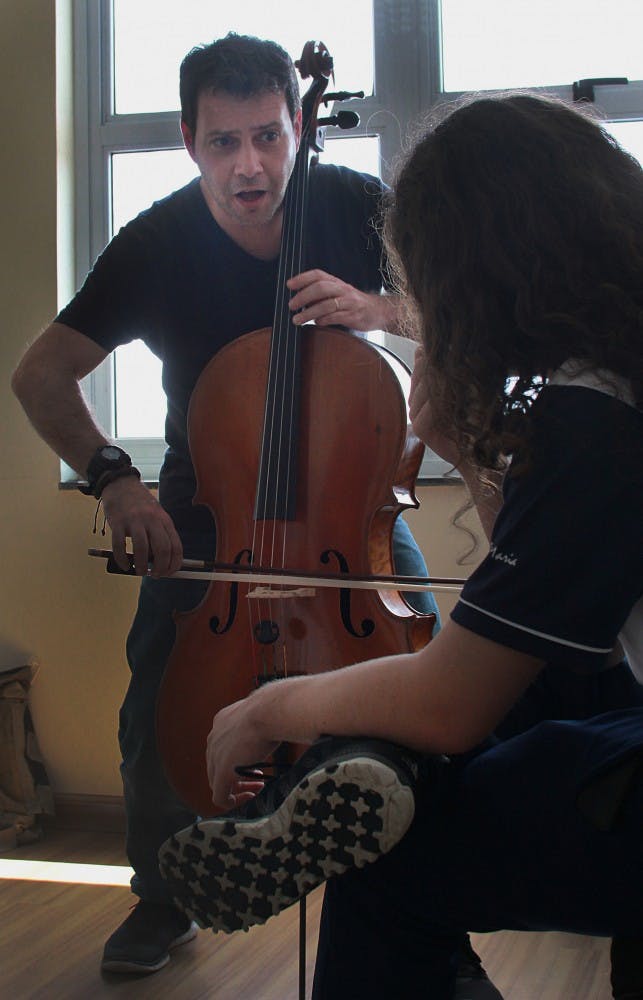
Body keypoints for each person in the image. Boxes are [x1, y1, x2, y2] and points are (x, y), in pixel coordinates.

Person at [11, 30, 476, 985]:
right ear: (188, 140)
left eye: (268, 135)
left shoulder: (357, 208)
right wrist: (114, 477)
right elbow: (41, 373)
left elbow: (464, 316)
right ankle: (162, 894)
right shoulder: (155, 241)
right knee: (157, 706)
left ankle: (430, 889)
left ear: (300, 126)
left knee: (435, 682)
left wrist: (381, 310)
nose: (250, 165)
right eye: (223, 142)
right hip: (208, 511)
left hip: (352, 515)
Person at [158, 93, 643, 1000]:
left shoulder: (595, 415)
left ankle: (372, 780)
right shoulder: (612, 374)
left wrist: (268, 710)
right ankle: (374, 775)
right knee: (540, 677)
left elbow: (450, 699)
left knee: (387, 861)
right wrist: (461, 448)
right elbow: (535, 602)